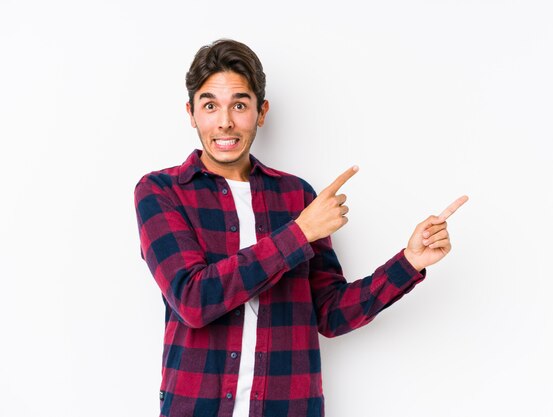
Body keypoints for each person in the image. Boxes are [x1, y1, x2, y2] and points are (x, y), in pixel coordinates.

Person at [134, 38, 468, 417]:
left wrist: (408, 262)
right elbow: (194, 301)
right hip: (195, 407)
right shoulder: (161, 191)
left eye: (239, 105)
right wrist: (299, 232)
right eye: (210, 105)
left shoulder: (296, 196)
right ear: (191, 114)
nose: (225, 121)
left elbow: (329, 313)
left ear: (261, 112)